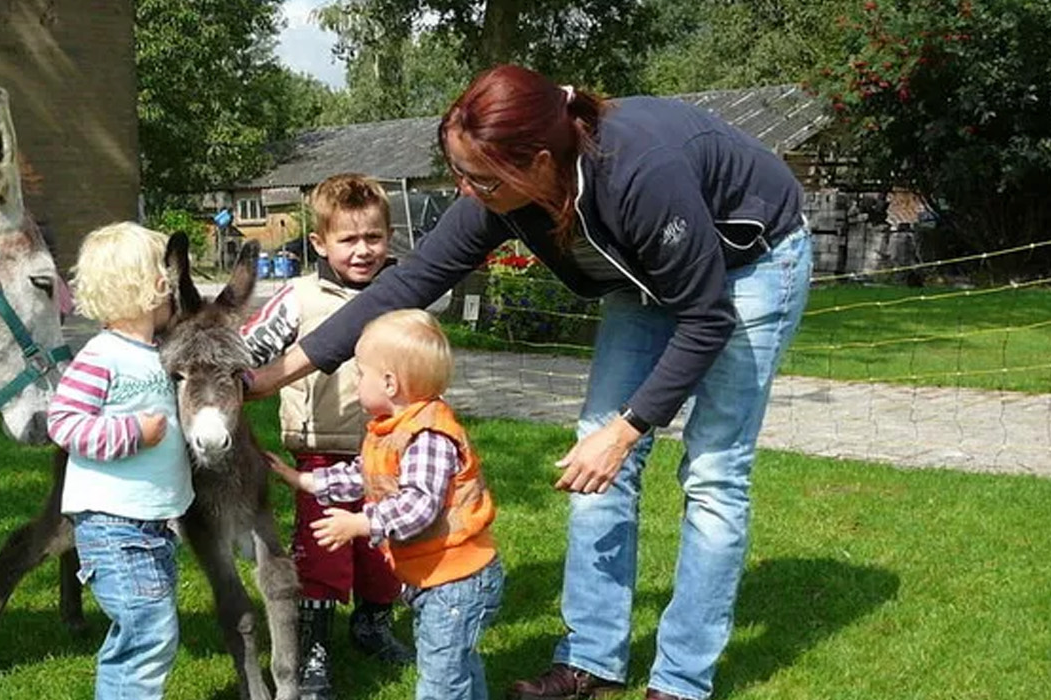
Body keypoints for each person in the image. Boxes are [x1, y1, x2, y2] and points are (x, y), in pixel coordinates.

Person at [247, 64, 814, 700]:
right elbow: (408, 283)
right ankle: (592, 662)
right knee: (591, 459)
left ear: (540, 161)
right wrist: (275, 374)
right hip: (640, 275)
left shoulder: (641, 172)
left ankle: (681, 681)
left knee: (712, 473)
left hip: (750, 262)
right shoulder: (498, 187)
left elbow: (706, 317)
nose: (468, 189)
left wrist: (626, 430)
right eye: (460, 172)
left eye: (480, 179)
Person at [267, 309, 504, 700]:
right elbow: (366, 474)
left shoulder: (427, 436)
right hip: (439, 578)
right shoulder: (390, 429)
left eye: (361, 373)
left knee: (440, 680)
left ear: (390, 383)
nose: (356, 381)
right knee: (456, 667)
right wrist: (305, 480)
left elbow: (418, 507)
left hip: (458, 581)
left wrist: (361, 524)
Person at [240, 173, 413, 700]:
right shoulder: (299, 298)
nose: (363, 251)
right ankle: (312, 648)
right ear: (319, 242)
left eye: (374, 238)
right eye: (349, 239)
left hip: (391, 450)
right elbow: (249, 350)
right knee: (323, 554)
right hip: (320, 453)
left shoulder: (406, 292)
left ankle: (373, 622)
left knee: (386, 549)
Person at [47, 221, 191, 700]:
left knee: (150, 631)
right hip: (114, 526)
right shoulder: (101, 356)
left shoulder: (158, 354)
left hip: (151, 526)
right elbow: (64, 423)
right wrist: (133, 433)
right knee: (148, 633)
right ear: (156, 286)